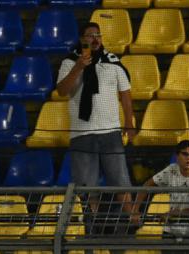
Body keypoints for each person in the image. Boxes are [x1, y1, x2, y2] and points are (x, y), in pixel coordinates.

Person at [56, 22, 135, 234]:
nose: (95, 39)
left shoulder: (113, 62)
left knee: (120, 181)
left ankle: (134, 226)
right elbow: (62, 90)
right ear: (82, 39)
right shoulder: (69, 61)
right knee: (86, 186)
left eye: (98, 34)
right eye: (90, 35)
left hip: (110, 131)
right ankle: (91, 227)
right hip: (82, 134)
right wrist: (79, 67)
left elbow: (126, 95)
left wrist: (129, 123)